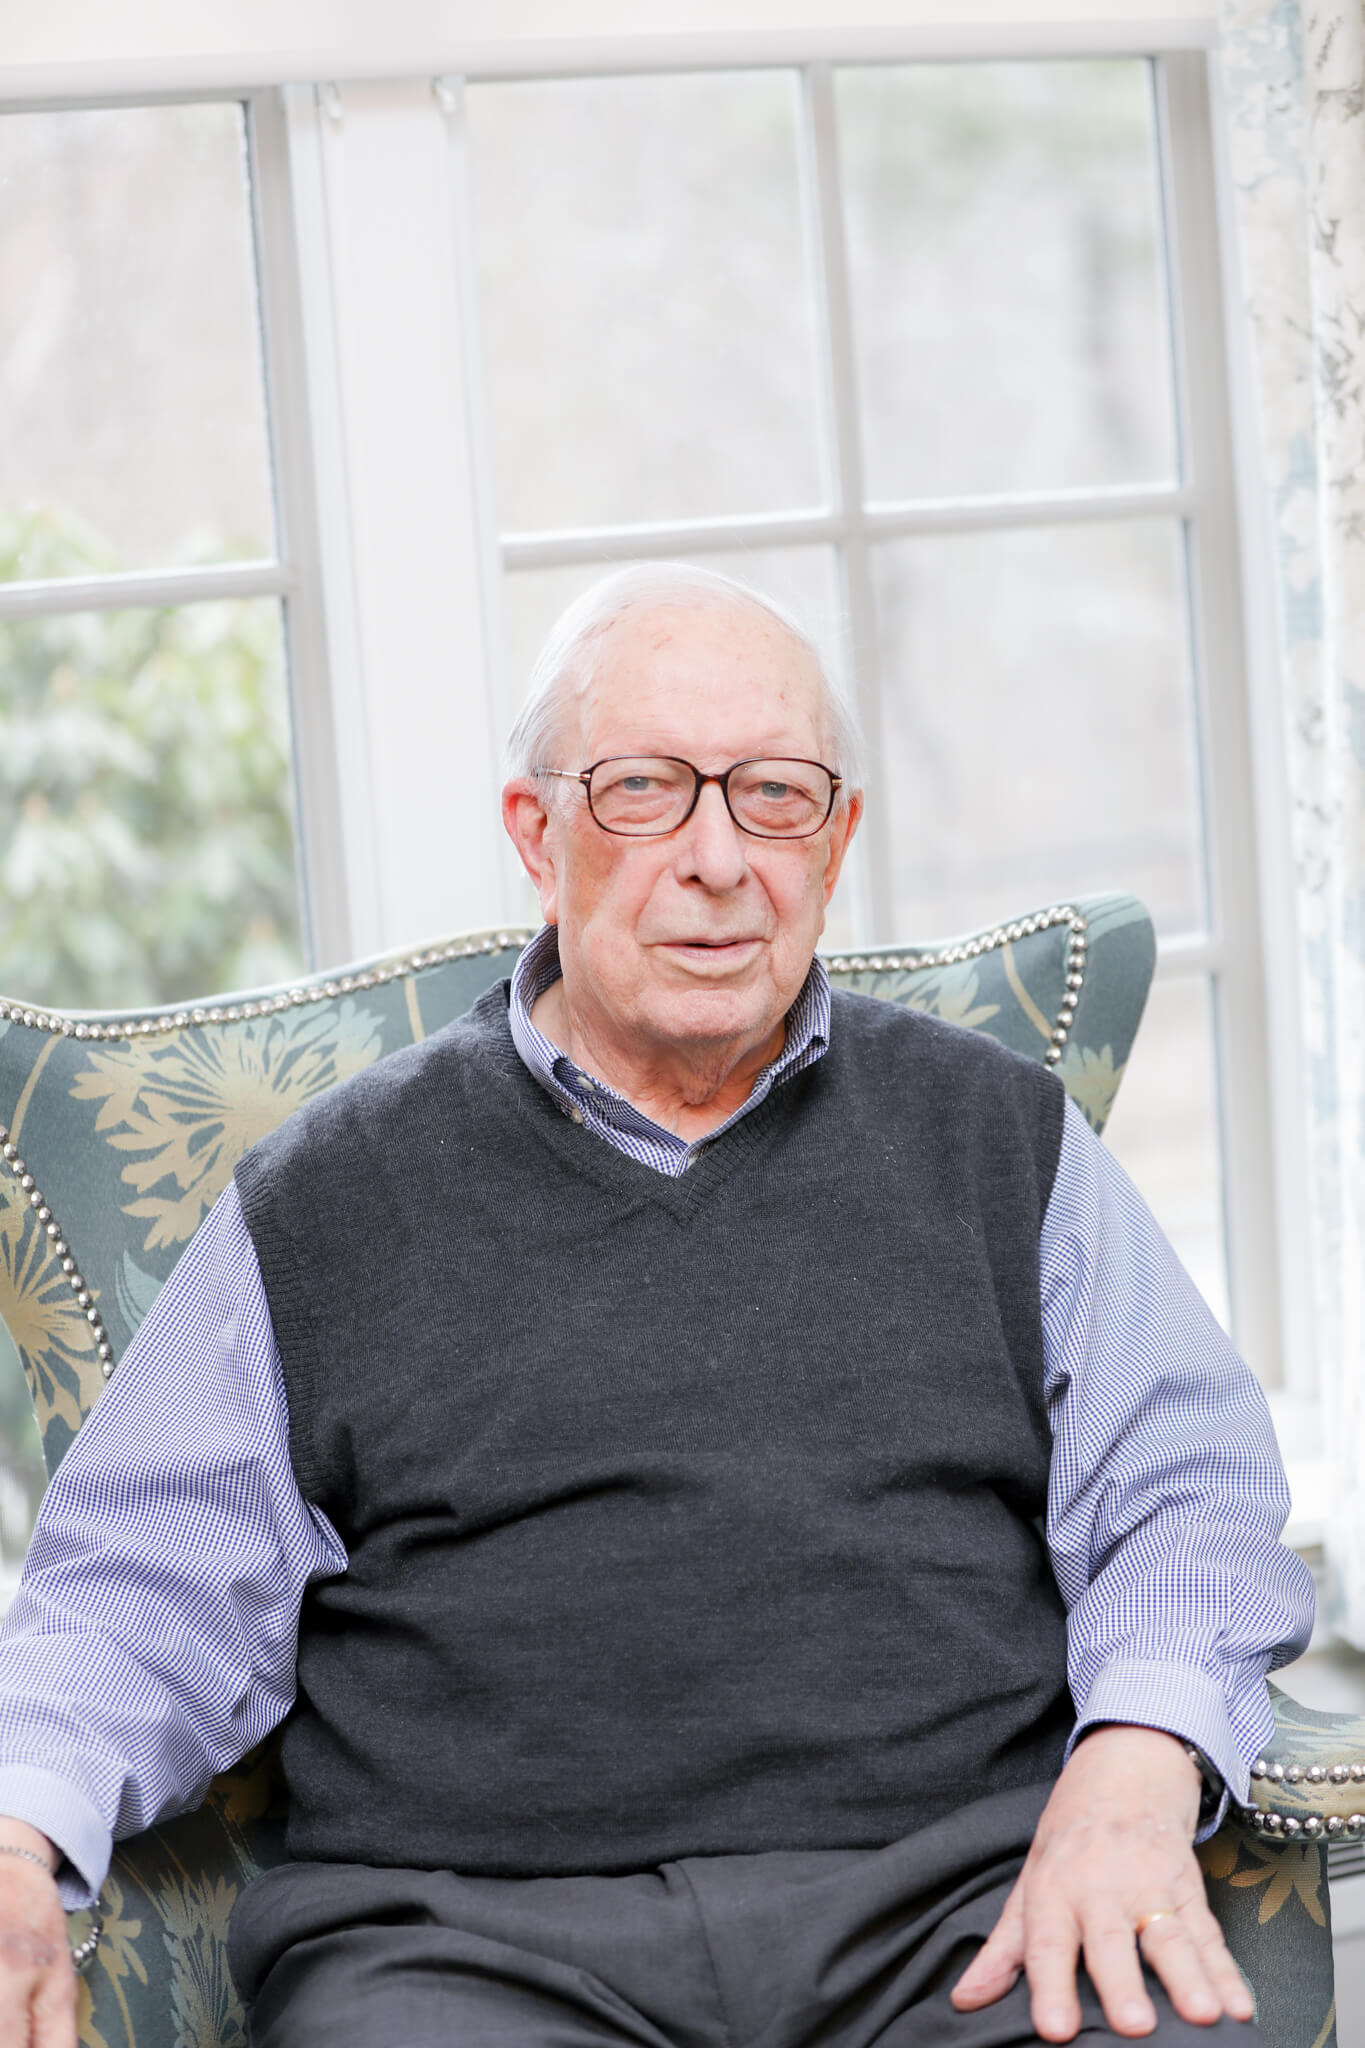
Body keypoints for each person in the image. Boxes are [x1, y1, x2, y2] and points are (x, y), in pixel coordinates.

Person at [0, 564, 1313, 2048]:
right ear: (535, 832)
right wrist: (17, 1827)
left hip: (950, 1917)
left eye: (772, 796)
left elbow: (1187, 1492)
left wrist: (1135, 1765)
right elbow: (140, 1590)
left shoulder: (996, 1141)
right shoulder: (327, 1196)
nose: (714, 858)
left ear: (835, 843)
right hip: (472, 1949)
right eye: (641, 792)